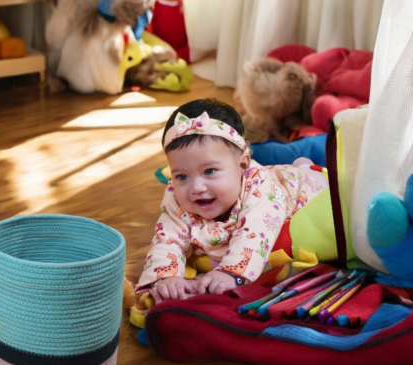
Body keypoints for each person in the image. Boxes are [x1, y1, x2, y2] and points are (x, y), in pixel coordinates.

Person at [136, 98, 328, 303]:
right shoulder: (177, 198)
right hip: (273, 179)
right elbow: (167, 239)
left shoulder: (261, 191)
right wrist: (164, 277)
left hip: (297, 189)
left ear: (242, 164)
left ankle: (307, 168)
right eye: (182, 176)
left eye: (209, 171)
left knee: (320, 186)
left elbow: (256, 232)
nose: (196, 188)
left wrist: (231, 273)